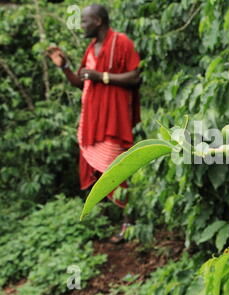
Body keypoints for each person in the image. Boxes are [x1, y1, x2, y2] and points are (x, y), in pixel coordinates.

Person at [46, 4, 141, 243]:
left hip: (114, 120)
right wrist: (65, 66)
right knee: (99, 170)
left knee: (117, 169)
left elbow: (135, 77)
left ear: (98, 21)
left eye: (85, 21)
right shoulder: (91, 48)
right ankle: (110, 220)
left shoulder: (121, 42)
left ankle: (130, 222)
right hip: (93, 120)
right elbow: (82, 82)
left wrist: (103, 77)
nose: (81, 25)